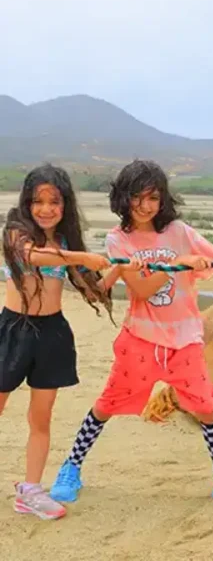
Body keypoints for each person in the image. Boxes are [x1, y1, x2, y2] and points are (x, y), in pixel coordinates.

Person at [49, 158, 213, 507]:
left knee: (209, 408)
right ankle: (71, 466)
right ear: (124, 198)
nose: (146, 206)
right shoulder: (118, 240)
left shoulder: (179, 232)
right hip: (141, 340)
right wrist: (180, 264)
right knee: (107, 404)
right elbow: (144, 289)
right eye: (138, 197)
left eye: (153, 197)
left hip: (185, 340)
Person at [0, 163, 140, 520]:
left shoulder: (65, 242)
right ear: (27, 203)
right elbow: (30, 256)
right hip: (13, 331)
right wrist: (81, 257)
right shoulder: (16, 230)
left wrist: (122, 267)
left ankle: (30, 491)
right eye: (38, 201)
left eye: (54, 201)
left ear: (66, 205)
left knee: (41, 418)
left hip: (51, 335)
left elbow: (94, 291)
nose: (46, 209)